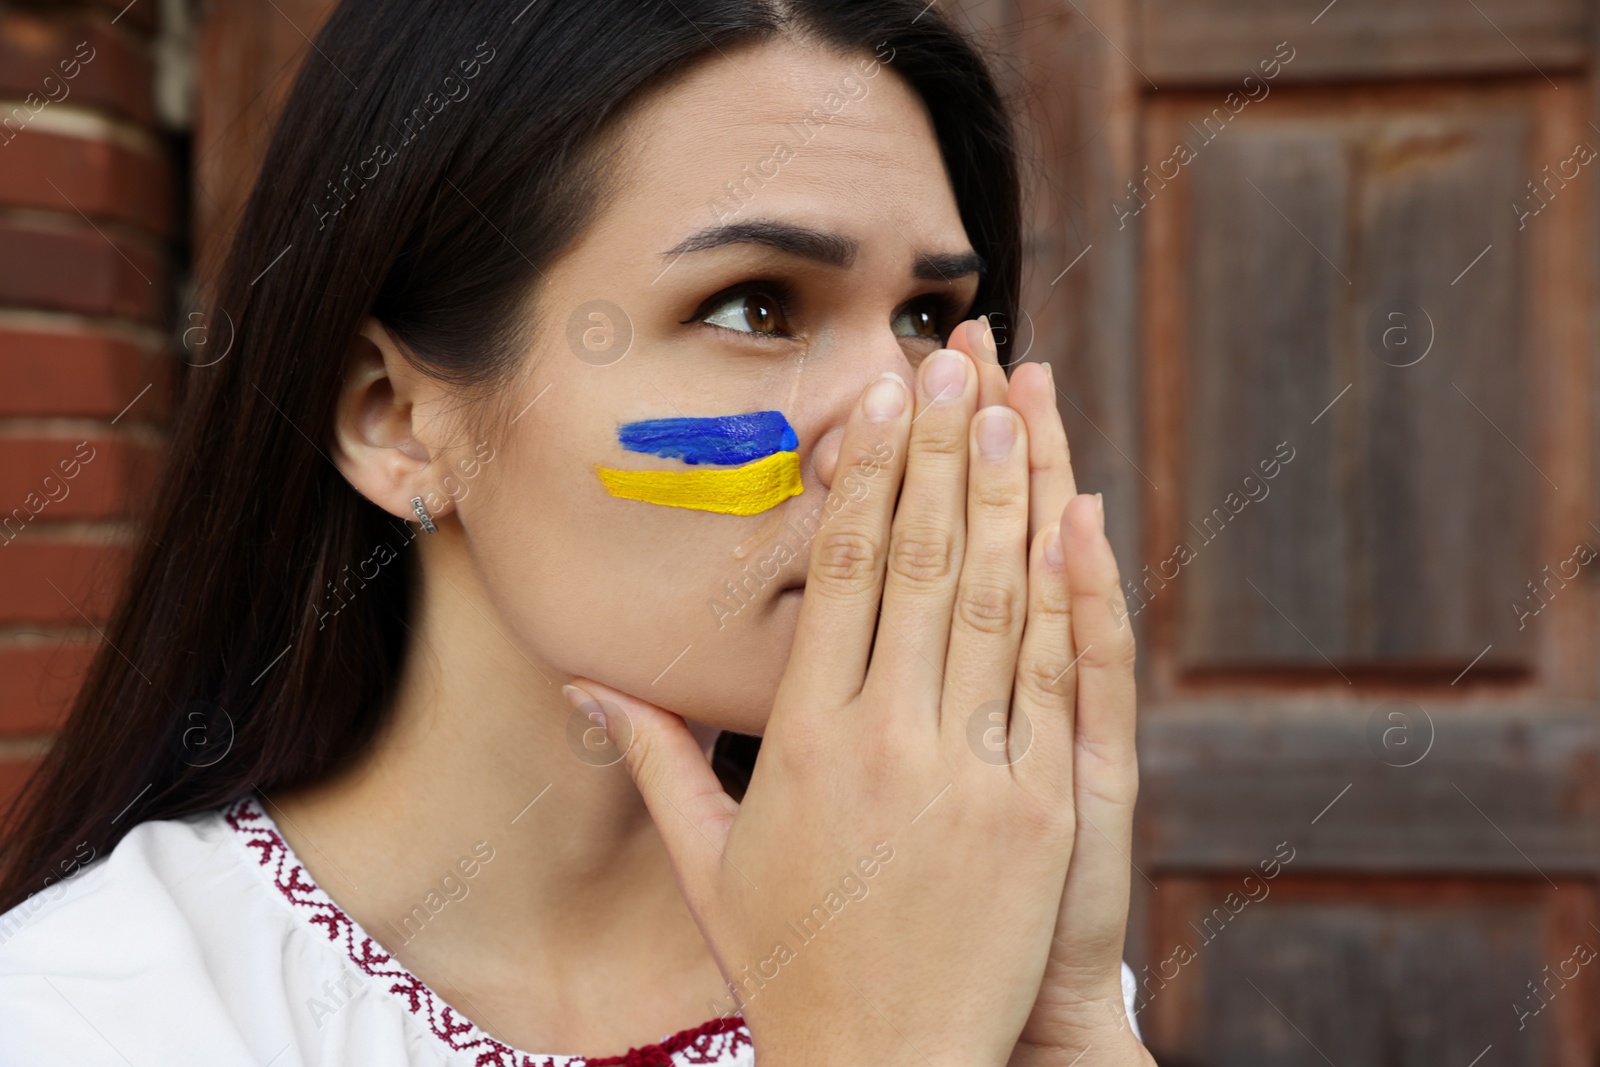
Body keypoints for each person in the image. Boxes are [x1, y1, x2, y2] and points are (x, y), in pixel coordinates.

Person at [0, 1, 1148, 1063]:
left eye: (926, 316)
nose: (900, 420)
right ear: (395, 419)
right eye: (756, 305)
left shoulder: (959, 926)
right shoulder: (96, 1009)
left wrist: (1077, 1023)